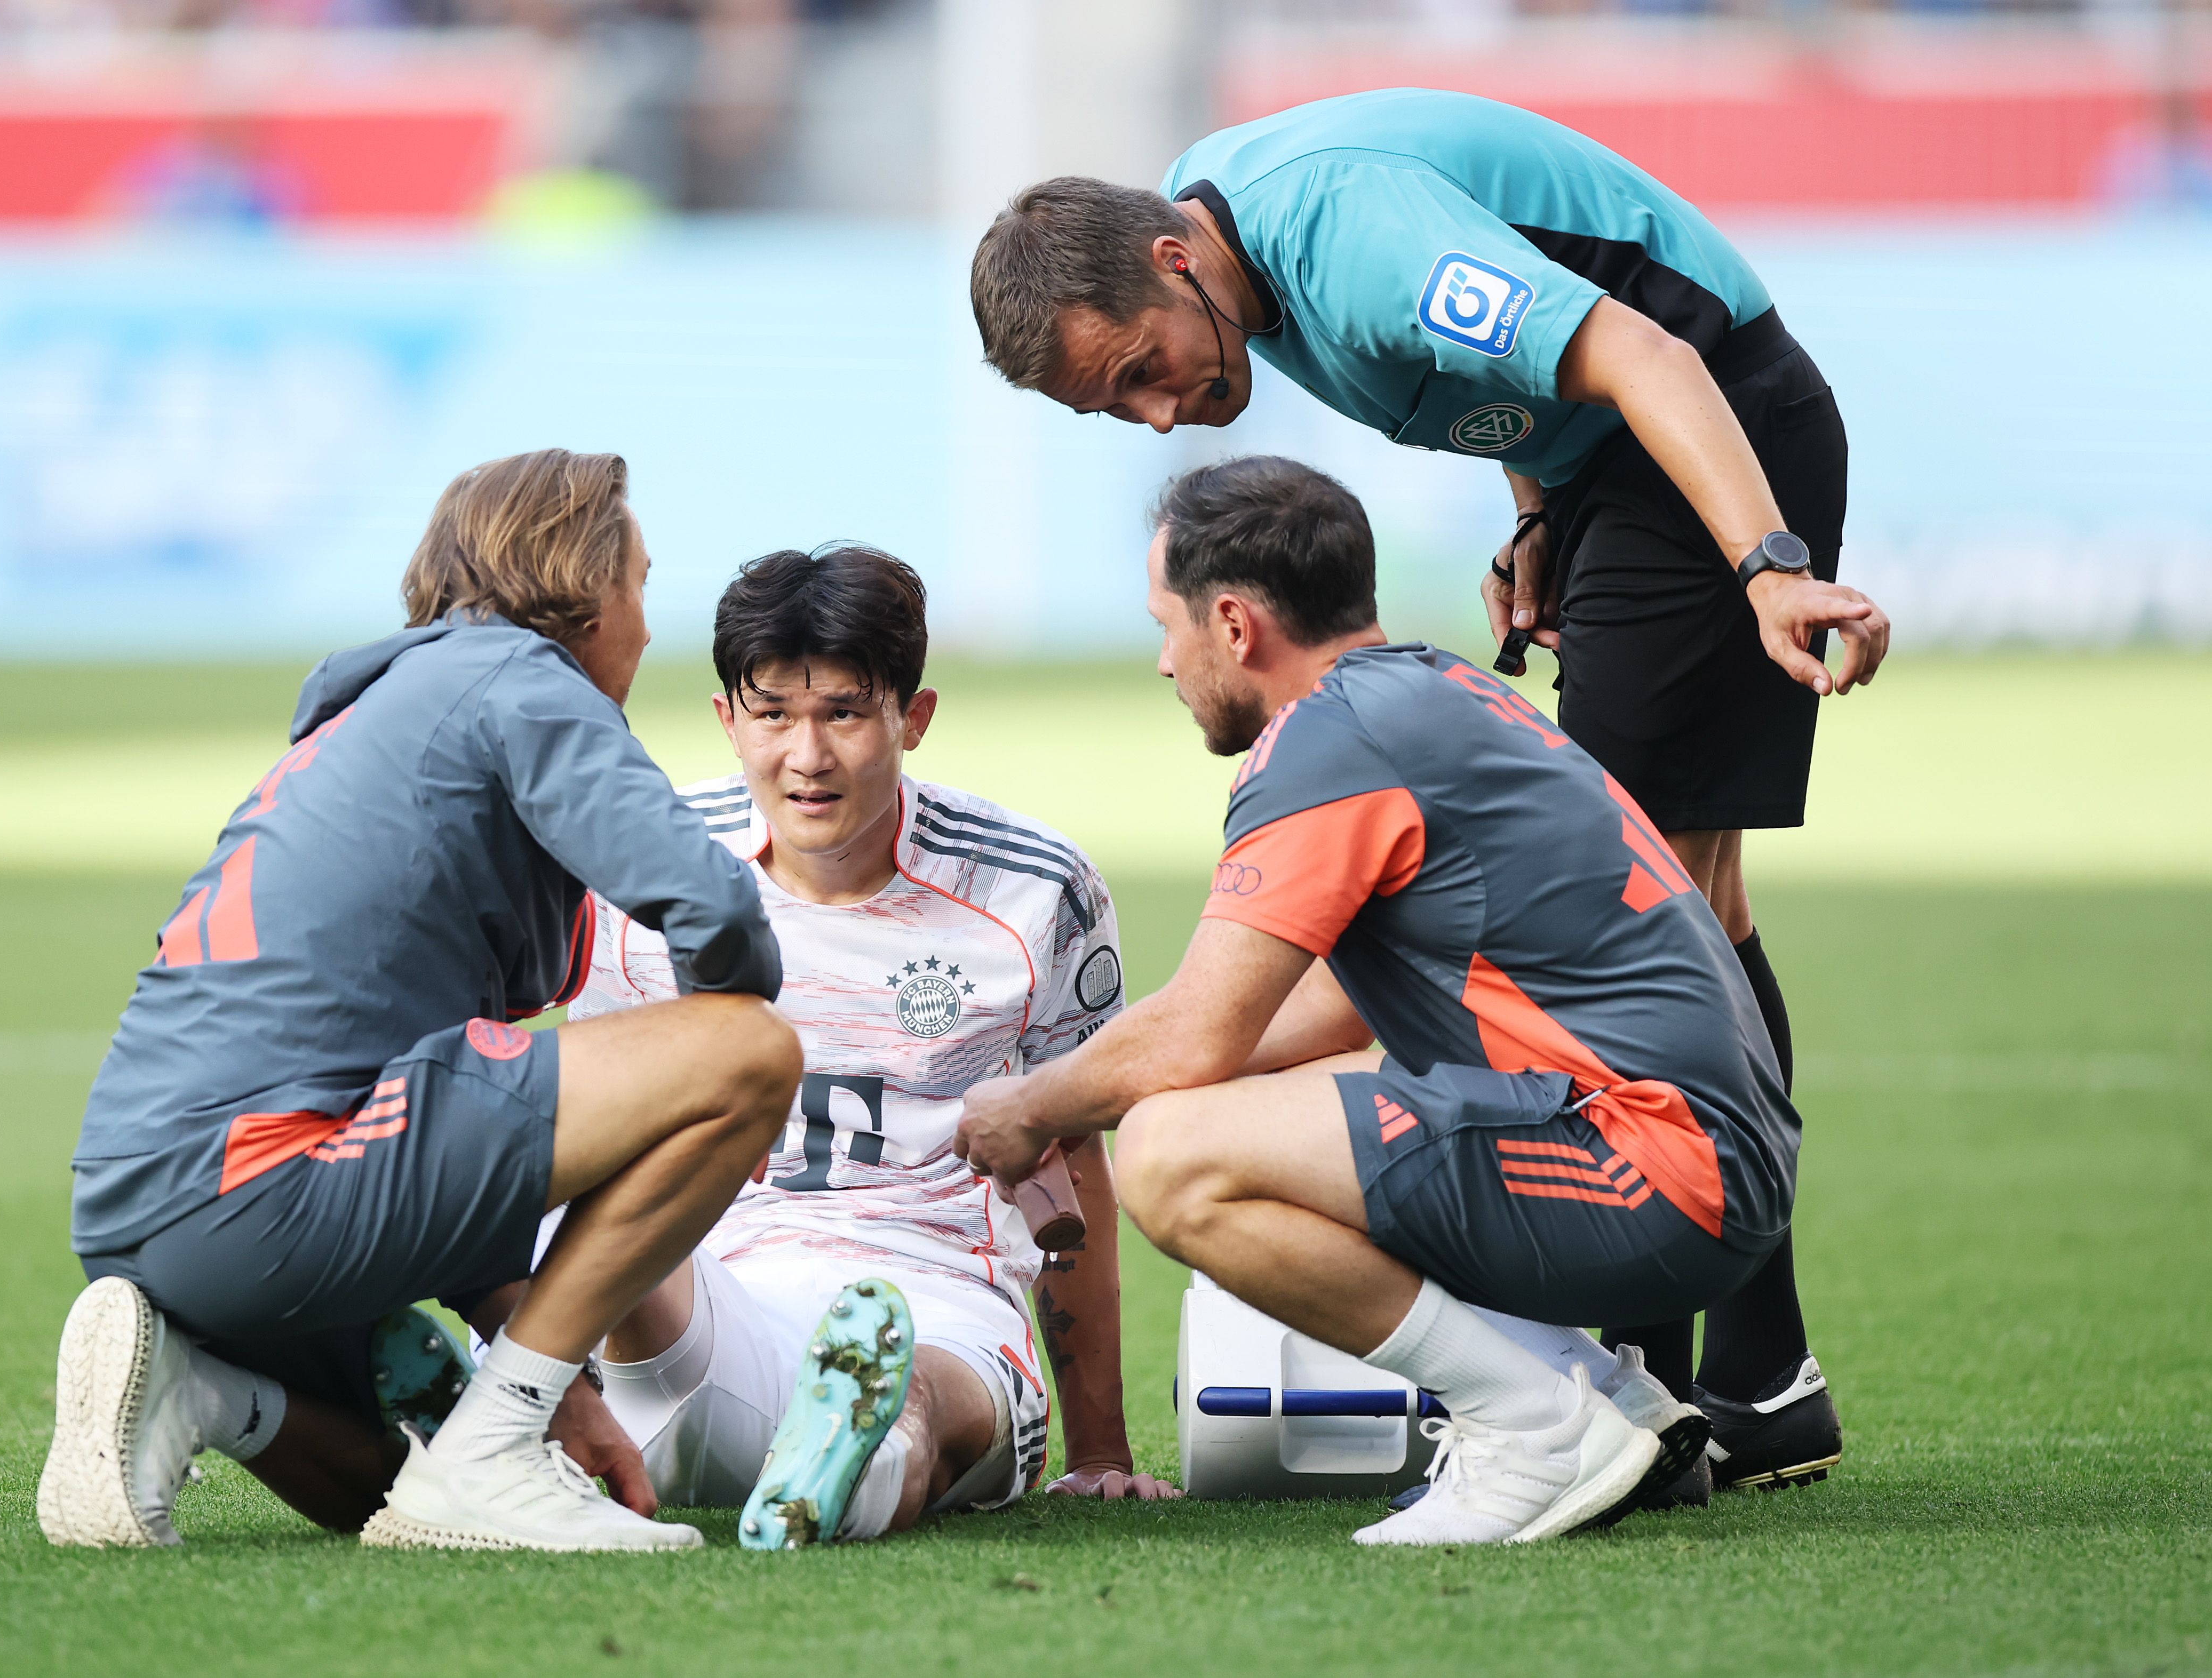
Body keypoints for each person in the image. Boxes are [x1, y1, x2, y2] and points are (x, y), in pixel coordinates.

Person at [966, 91, 1876, 1485]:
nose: (1161, 416)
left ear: (1169, 263)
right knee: (1688, 887)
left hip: (1699, 425)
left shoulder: (1345, 236)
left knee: (1661, 887)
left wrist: (1766, 564)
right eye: (1120, 406)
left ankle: (1649, 1384)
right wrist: (1534, 514)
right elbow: (1515, 356)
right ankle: (1752, 1375)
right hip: (1608, 466)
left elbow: (1634, 343)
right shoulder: (1217, 235)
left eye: (1144, 370)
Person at [954, 457, 1801, 1545]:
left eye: (1166, 626)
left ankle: (1531, 1425)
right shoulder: (1429, 692)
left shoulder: (1326, 742)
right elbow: (1314, 1017)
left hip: (1655, 1167)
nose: (1164, 663)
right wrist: (1095, 1081)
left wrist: (1033, 1107)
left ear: (1231, 623)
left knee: (1170, 1156)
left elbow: (1204, 1028)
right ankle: (1599, 1394)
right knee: (1243, 1108)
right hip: (1702, 1157)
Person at [37, 450, 800, 1555]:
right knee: (748, 1050)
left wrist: (556, 1379)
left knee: (384, 1494)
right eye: (639, 582)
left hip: (142, 1206)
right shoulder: (520, 680)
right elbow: (716, 910)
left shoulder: (379, 712)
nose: (644, 621)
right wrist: (737, 1087)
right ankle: (492, 1451)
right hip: (264, 1186)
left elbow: (395, 1087)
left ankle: (205, 1389)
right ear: (584, 591)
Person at [562, 544, 1174, 1547]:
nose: (807, 756)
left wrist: (1099, 1453)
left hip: (937, 1295)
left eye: (844, 712)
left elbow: (1072, 1155)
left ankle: (855, 1447)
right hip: (709, 1295)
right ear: (728, 721)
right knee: (613, 1226)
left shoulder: (1036, 889)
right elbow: (586, 1138)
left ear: (913, 717)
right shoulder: (645, 872)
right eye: (773, 716)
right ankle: (516, 1407)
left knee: (923, 1403)